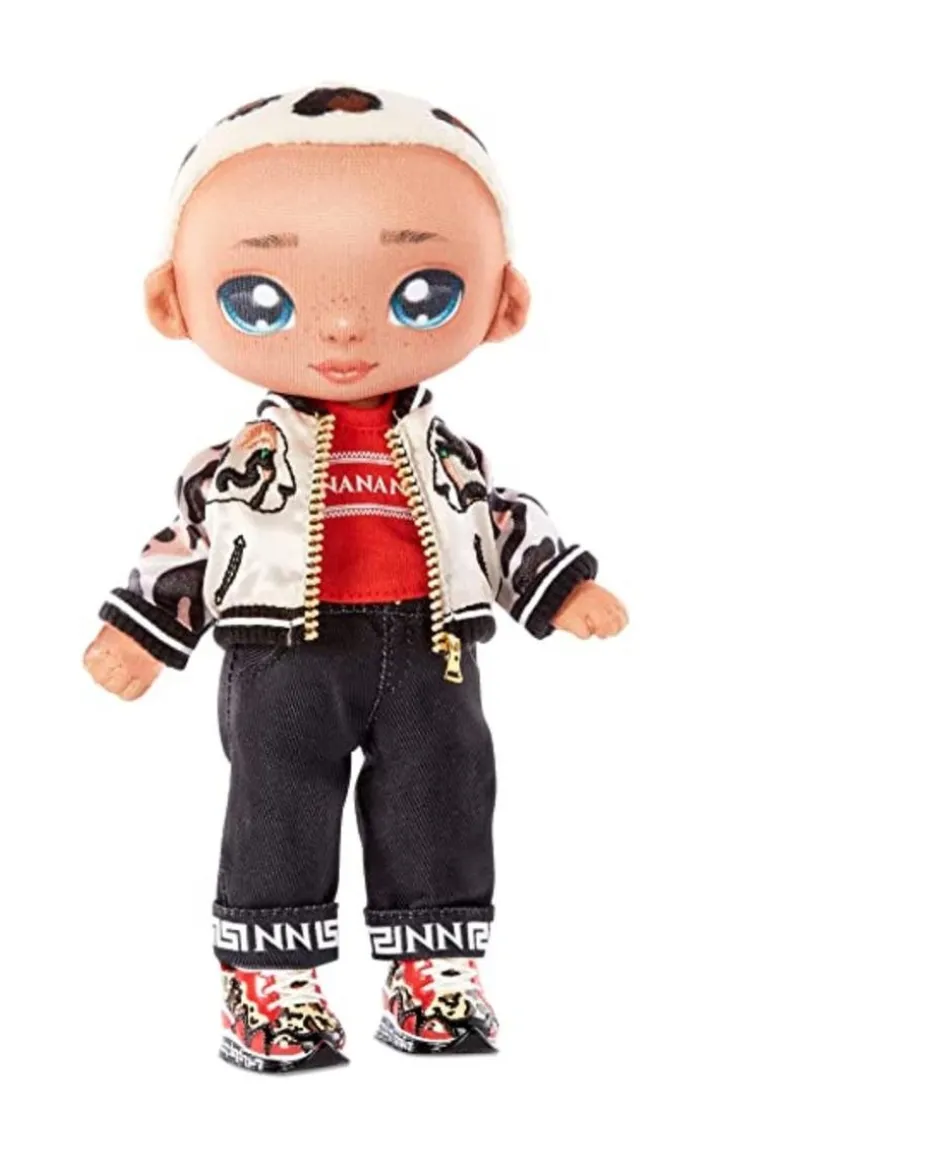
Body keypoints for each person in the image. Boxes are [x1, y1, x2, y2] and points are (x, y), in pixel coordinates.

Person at [83, 86, 628, 1073]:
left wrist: (558, 585)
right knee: (278, 802)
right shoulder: (238, 464)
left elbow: (498, 518)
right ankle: (271, 982)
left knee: (444, 792)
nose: (340, 328)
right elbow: (189, 540)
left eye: (422, 293)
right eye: (264, 299)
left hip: (433, 648)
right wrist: (139, 631)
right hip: (285, 653)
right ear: (172, 301)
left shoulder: (449, 454)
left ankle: (434, 969)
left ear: (504, 302)